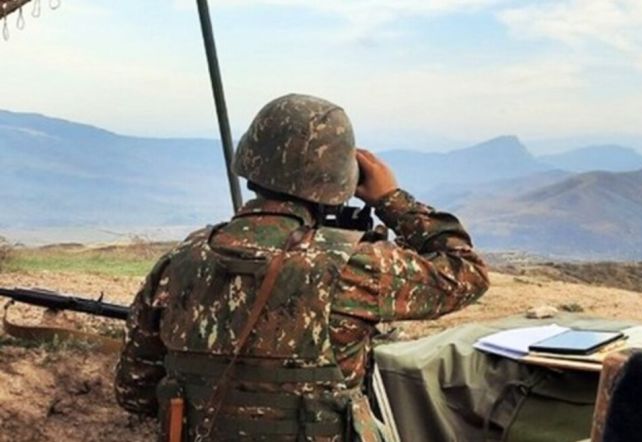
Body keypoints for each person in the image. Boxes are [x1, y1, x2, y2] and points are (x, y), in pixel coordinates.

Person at [115, 94, 490, 441]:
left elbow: (134, 391)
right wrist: (392, 200)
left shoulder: (178, 262)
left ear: (250, 162)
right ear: (340, 180)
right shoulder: (350, 266)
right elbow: (466, 272)